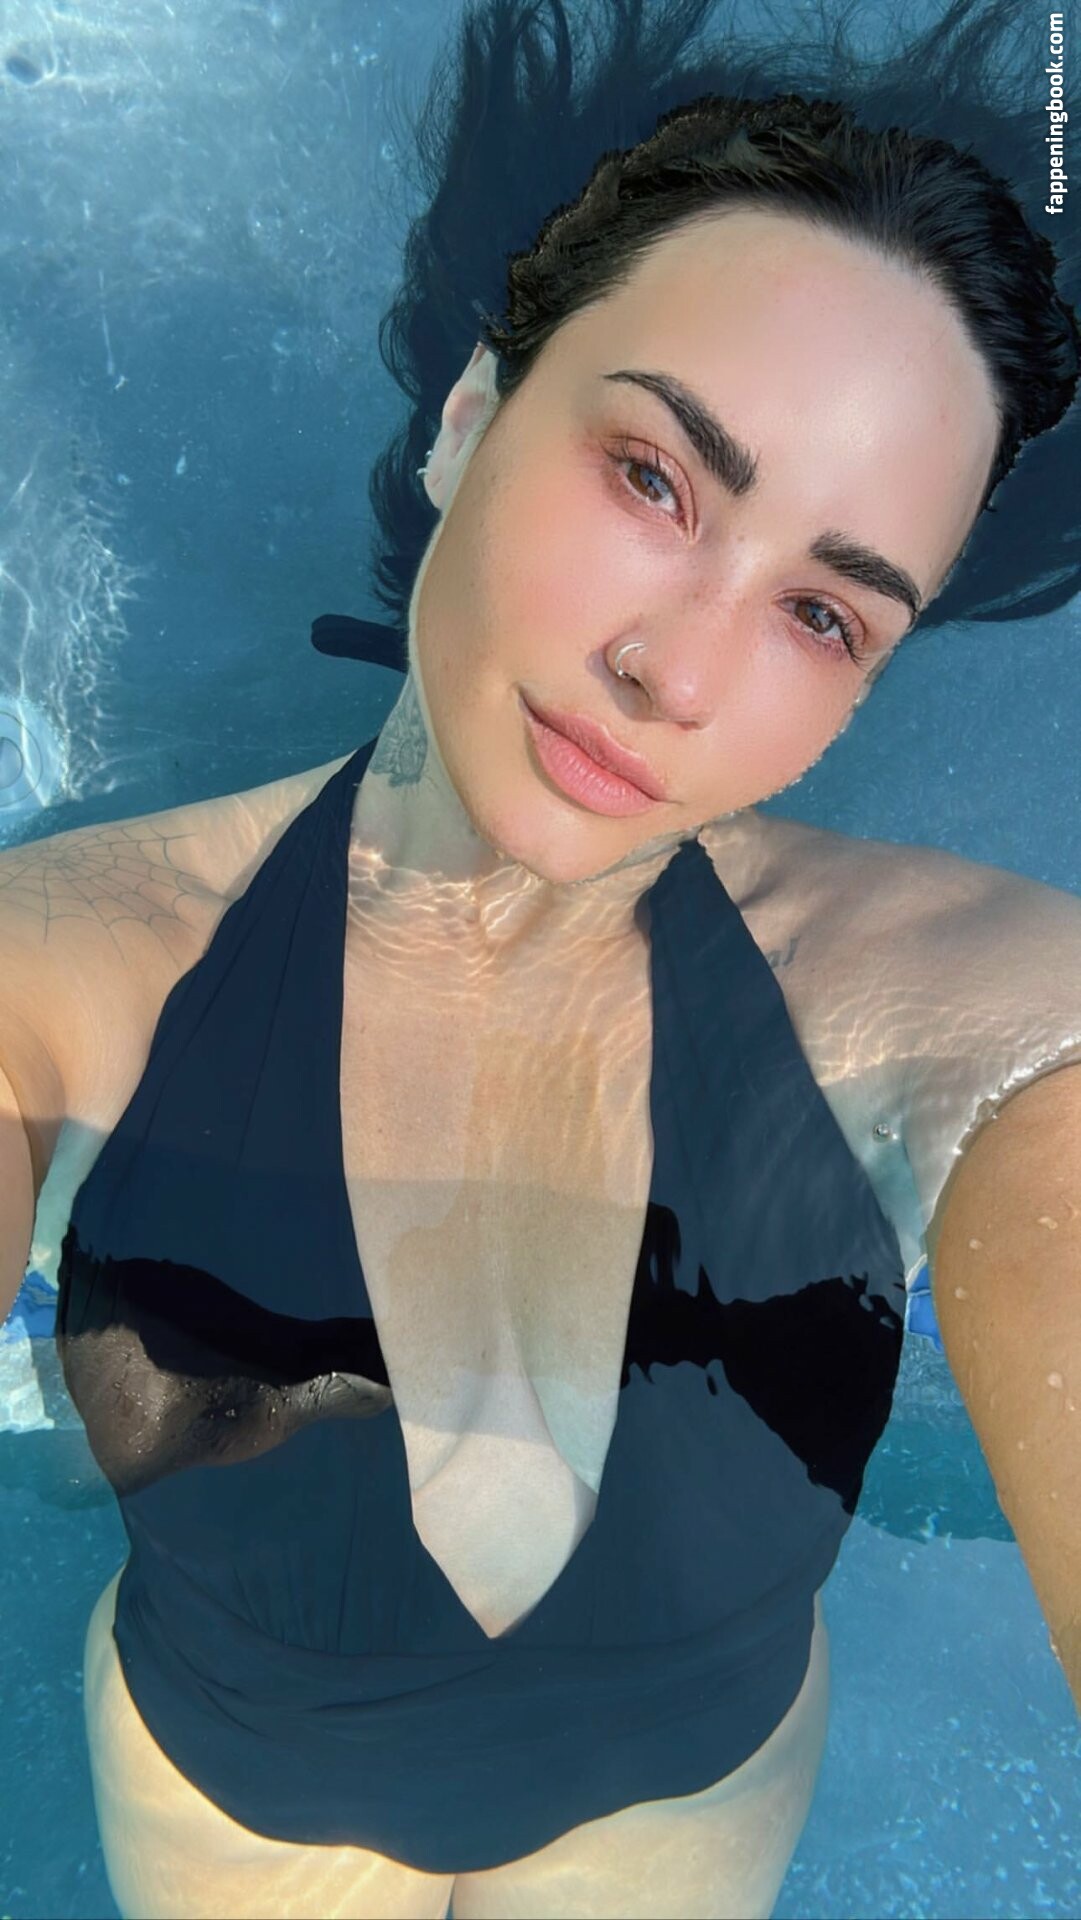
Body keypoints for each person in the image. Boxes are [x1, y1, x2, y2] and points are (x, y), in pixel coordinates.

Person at [1, 2, 1079, 1916]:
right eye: (654, 478)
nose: (677, 670)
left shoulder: (943, 1002)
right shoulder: (74, 967)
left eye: (824, 614)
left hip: (683, 1811)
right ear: (470, 421)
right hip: (239, 1809)